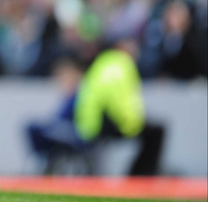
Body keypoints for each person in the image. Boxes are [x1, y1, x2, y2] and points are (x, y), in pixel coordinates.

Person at [26, 41, 165, 176]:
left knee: (153, 131)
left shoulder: (101, 64)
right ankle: (140, 177)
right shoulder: (122, 64)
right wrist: (131, 124)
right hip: (104, 123)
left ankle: (137, 176)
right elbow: (122, 102)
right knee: (156, 131)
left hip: (90, 125)